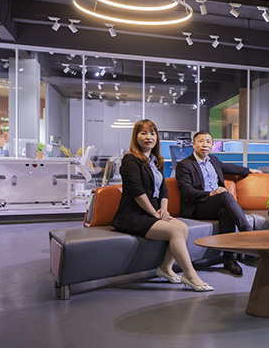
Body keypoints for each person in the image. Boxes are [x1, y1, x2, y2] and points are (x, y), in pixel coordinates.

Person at [111, 119, 212, 292]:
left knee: (183, 228)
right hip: (133, 215)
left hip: (152, 213)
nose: (148, 137)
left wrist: (164, 210)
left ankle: (165, 268)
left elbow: (164, 190)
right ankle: (190, 275)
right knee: (175, 231)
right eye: (143, 133)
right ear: (136, 137)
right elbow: (137, 193)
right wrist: (155, 214)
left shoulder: (155, 161)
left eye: (152, 133)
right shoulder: (130, 160)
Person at [175, 130, 261, 276]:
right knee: (225, 195)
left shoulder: (214, 161)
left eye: (208, 142)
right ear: (194, 144)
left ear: (212, 145)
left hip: (215, 205)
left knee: (226, 212)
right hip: (197, 206)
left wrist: (249, 170)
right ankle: (248, 233)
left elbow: (230, 167)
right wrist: (210, 194)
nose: (205, 145)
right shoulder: (185, 165)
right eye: (201, 141)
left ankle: (229, 260)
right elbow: (186, 191)